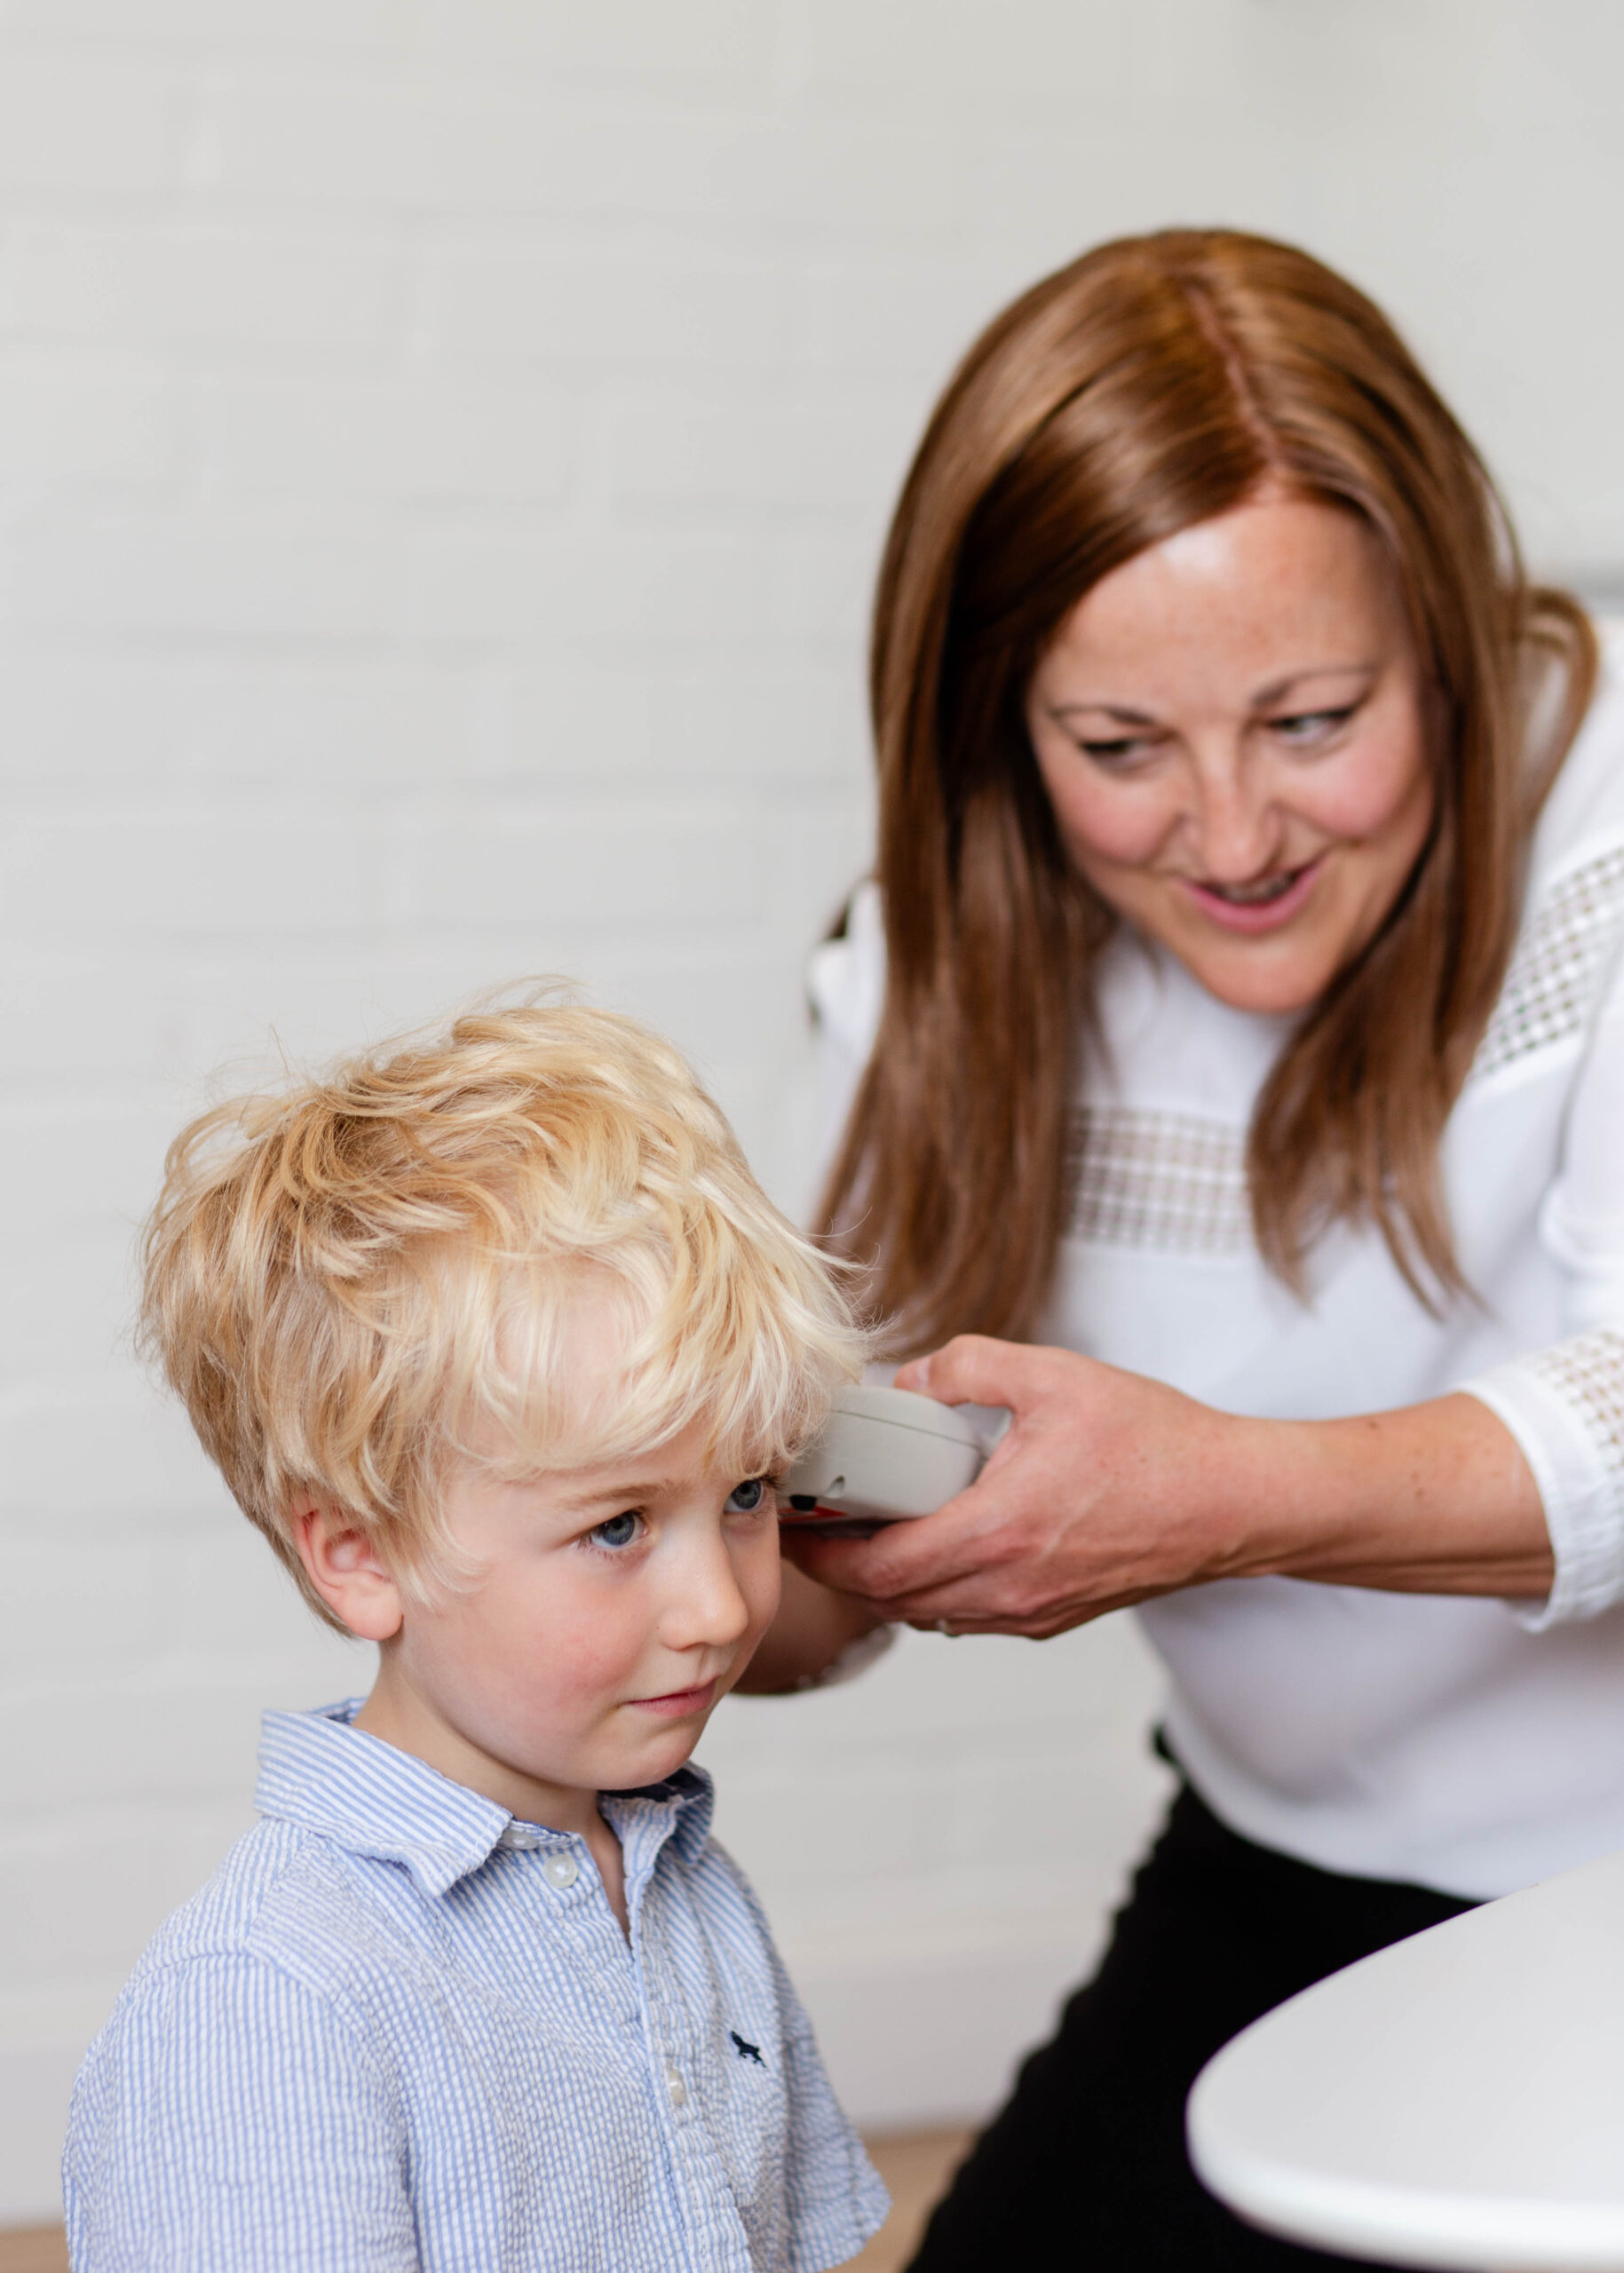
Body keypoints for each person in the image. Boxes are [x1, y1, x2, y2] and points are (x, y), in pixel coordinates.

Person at [743, 228, 1624, 2267]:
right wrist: (628, 1555)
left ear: (1450, 642)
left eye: (1315, 717)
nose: (1229, 838)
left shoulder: (1606, 831)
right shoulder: (938, 965)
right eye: (1118, 750)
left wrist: (1220, 1498)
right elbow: (816, 1580)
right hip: (1289, 1859)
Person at [64, 1002, 888, 2273]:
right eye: (616, 1527)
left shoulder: (685, 1887)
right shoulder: (269, 1997)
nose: (723, 1609)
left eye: (742, 1498)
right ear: (361, 1556)